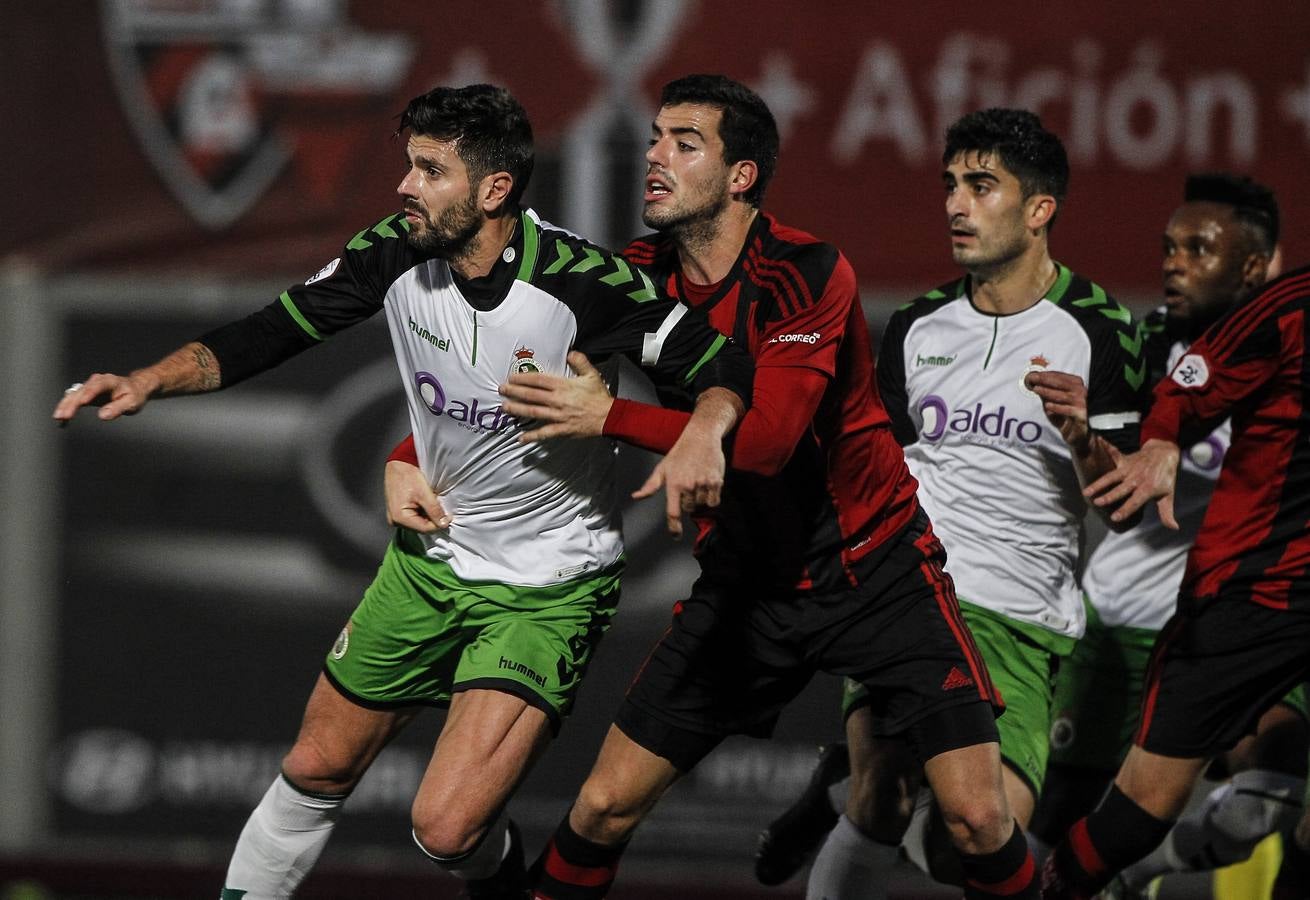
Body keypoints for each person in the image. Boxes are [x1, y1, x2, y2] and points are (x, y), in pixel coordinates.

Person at [51, 83, 755, 899]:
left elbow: (721, 365)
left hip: (546, 587)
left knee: (446, 831)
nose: (403, 187)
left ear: (494, 191)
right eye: (409, 166)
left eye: (429, 170)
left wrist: (701, 431)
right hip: (429, 560)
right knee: (315, 765)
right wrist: (150, 380)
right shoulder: (394, 249)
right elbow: (274, 330)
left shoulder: (580, 281)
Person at [468, 74, 1042, 900]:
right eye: (657, 137)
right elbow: (498, 366)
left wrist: (612, 418)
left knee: (977, 822)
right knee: (599, 809)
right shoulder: (635, 276)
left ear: (741, 177)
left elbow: (768, 443)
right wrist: (410, 453)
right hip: (745, 591)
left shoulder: (807, 270)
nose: (655, 156)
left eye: (684, 143)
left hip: (877, 576)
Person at [753, 108, 1147, 899]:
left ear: (1039, 210)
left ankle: (830, 790)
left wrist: (1082, 439)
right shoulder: (915, 326)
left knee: (977, 833)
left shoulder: (1100, 331)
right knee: (883, 796)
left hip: (1023, 617)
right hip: (913, 597)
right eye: (950, 186)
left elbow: (1128, 509)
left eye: (981, 186)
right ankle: (849, 790)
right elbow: (874, 468)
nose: (955, 205)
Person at [1028, 174, 1307, 898]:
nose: (1174, 263)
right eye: (1169, 248)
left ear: (1254, 263)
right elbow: (1118, 500)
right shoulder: (1148, 348)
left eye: (1197, 248)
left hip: (1279, 603)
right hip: (1146, 618)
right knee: (1070, 816)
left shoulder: (1273, 336)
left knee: (1268, 796)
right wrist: (1117, 443)